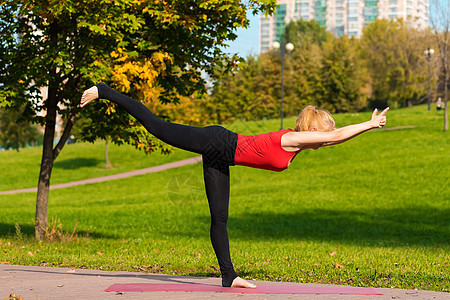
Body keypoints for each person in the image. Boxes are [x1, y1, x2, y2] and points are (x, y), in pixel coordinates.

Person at [81, 83, 389, 288]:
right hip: (217, 141)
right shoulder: (292, 139)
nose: (324, 140)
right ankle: (105, 91)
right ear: (311, 130)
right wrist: (370, 124)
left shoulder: (297, 144)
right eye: (321, 134)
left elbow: (334, 138)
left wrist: (366, 127)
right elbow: (335, 137)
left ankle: (229, 277)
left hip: (221, 157)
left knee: (220, 218)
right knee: (157, 127)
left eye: (325, 135)